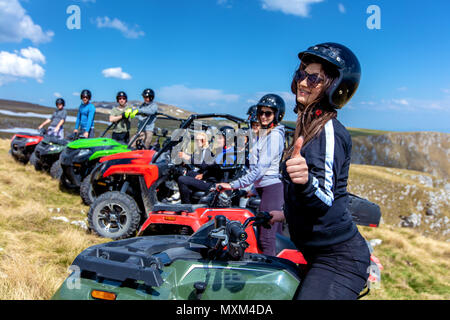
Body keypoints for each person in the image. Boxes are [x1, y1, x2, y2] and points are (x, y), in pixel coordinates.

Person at [270, 42, 371, 300]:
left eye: (314, 78)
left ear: (336, 86)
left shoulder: (328, 130)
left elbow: (325, 195)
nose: (303, 83)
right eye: (301, 74)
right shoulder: (309, 124)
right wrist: (284, 214)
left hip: (338, 260)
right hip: (317, 252)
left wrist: (304, 182)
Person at [216, 94, 286, 256]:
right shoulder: (266, 135)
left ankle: (270, 273)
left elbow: (260, 170)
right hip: (265, 188)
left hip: (272, 189)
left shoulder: (274, 136)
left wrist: (233, 185)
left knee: (266, 238)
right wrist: (253, 190)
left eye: (268, 113)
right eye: (261, 112)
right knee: (271, 235)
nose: (263, 116)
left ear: (277, 114)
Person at [177, 126, 236, 204]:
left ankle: (186, 207)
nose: (217, 140)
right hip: (213, 178)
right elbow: (213, 168)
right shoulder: (225, 151)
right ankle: (193, 200)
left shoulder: (228, 154)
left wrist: (188, 158)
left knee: (182, 179)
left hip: (215, 184)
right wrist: (203, 175)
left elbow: (206, 165)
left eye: (220, 138)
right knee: (190, 173)